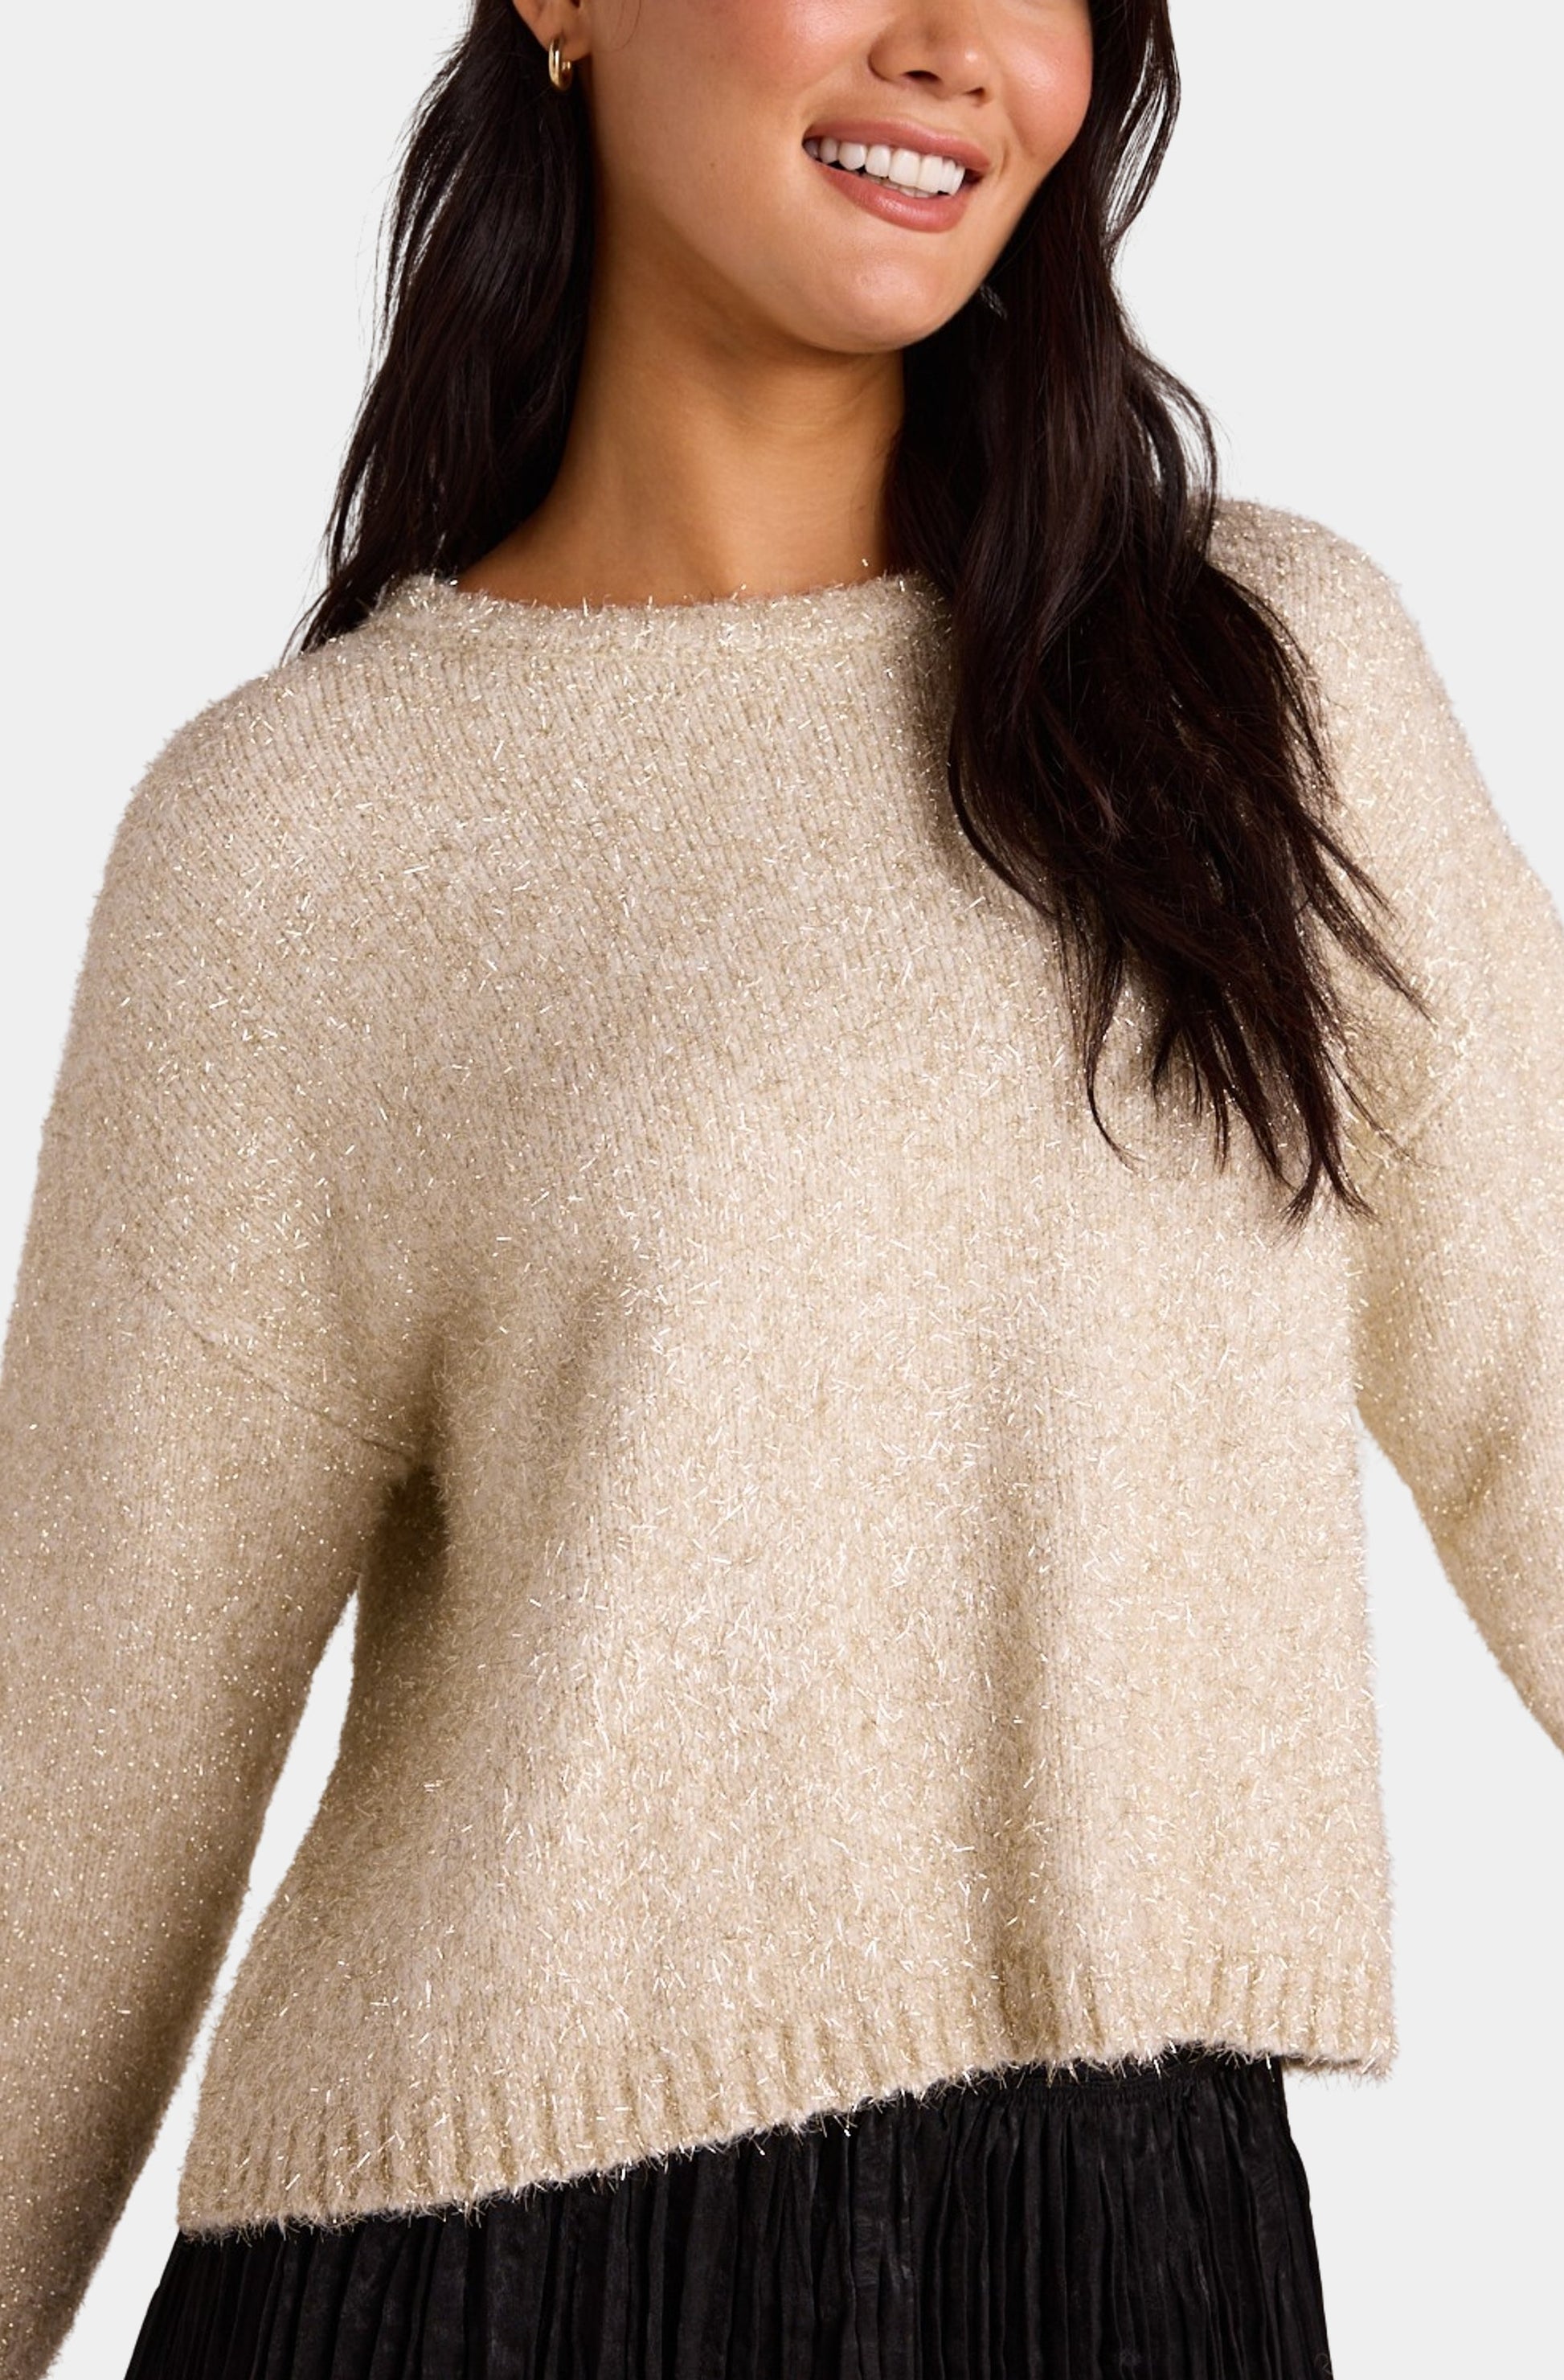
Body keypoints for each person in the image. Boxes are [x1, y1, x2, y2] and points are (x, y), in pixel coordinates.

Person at [2, 0, 1562, 2372]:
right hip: (480, 2282)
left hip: (1131, 2261)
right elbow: (78, 1775)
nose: (960, 47)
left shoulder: (1259, 691)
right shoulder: (299, 839)